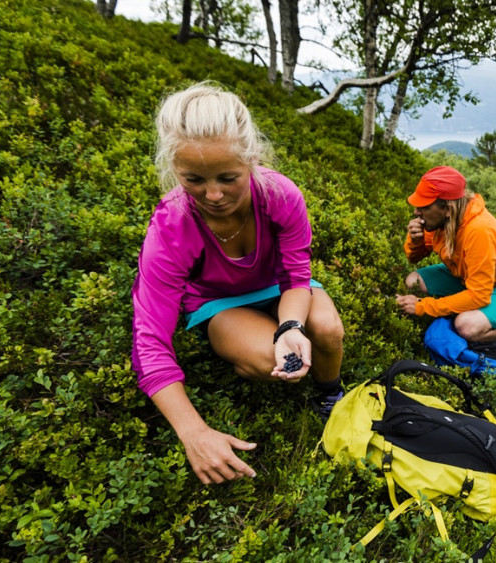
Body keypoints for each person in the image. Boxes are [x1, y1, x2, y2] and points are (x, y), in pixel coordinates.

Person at [131, 81, 345, 485]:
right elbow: (148, 341)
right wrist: (193, 432)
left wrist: (290, 326)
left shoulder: (281, 196)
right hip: (218, 303)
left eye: (228, 177)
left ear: (252, 158)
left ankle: (328, 393)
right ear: (173, 169)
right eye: (193, 179)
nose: (213, 195)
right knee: (268, 359)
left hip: (282, 288)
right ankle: (248, 355)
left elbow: (296, 274)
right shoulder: (171, 228)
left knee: (328, 331)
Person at [395, 166, 496, 342]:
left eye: (424, 206)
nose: (416, 211)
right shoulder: (438, 221)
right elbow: (413, 258)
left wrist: (424, 306)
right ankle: (464, 308)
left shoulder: (479, 230)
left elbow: (479, 295)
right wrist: (416, 241)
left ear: (447, 208)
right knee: (413, 280)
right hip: (466, 277)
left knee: (466, 326)